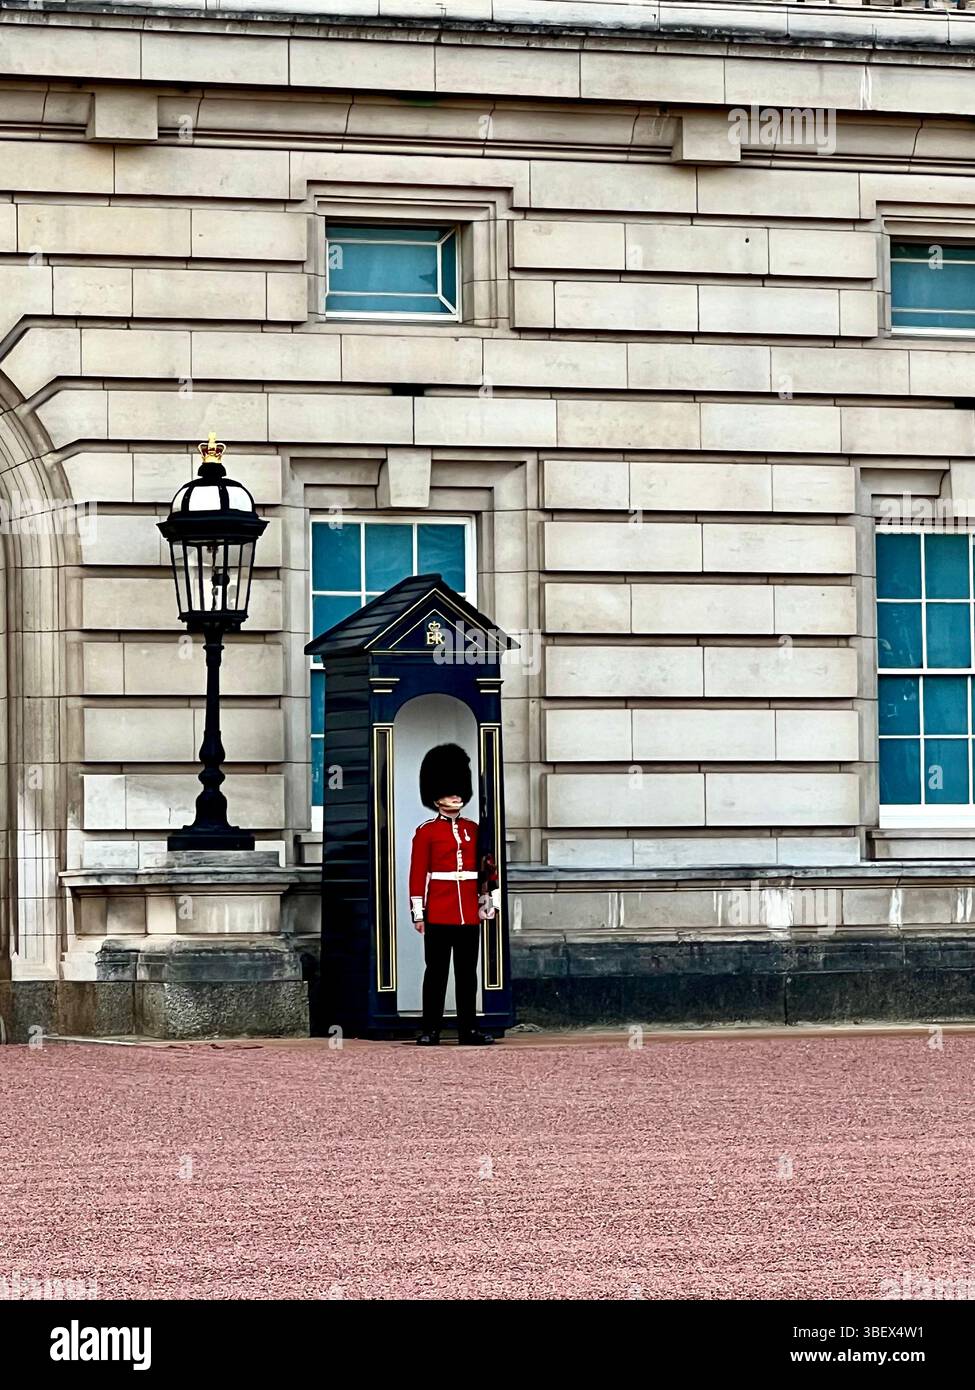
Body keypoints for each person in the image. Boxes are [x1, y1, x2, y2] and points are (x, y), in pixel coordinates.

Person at [408, 743, 499, 1046]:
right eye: (450, 791)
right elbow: (417, 874)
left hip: (468, 913)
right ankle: (430, 1029)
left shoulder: (474, 829)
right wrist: (418, 913)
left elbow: (488, 870)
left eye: (458, 791)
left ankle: (468, 1030)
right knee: (435, 973)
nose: (456, 796)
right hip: (439, 909)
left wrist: (489, 902)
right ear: (436, 797)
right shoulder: (427, 832)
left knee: (467, 975)